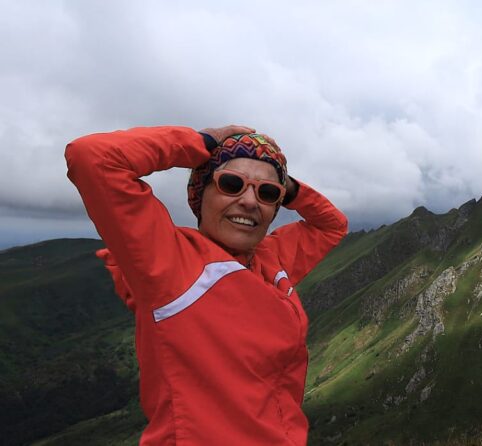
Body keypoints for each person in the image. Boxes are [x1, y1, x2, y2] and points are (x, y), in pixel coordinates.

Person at [65, 125, 348, 445]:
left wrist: (288, 186)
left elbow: (332, 225)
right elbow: (90, 157)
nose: (250, 201)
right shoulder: (169, 261)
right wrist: (201, 142)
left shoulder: (270, 258)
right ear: (201, 195)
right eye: (232, 184)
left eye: (267, 193)